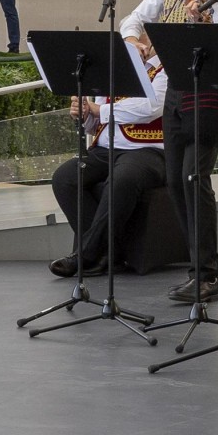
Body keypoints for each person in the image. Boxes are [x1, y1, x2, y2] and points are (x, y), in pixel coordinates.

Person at [120, 0, 218, 304]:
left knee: (193, 177)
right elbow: (134, 17)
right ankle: (203, 268)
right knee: (175, 180)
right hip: (174, 90)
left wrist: (200, 22)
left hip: (207, 89)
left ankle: (206, 271)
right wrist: (135, 38)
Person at [50, 50, 170, 278]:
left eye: (139, 39)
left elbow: (151, 108)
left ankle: (86, 255)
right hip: (105, 149)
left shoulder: (165, 69)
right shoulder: (115, 71)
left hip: (147, 150)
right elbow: (96, 122)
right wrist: (84, 114)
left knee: (121, 180)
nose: (138, 47)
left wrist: (97, 110)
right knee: (65, 178)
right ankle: (106, 253)